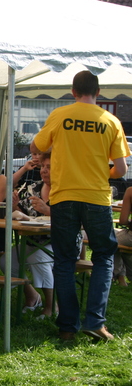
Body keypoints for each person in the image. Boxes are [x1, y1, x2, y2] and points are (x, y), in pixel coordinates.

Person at [32, 70, 129, 342]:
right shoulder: (111, 121)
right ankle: (95, 322)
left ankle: (67, 326)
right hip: (97, 197)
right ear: (98, 92)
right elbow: (120, 169)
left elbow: (36, 146)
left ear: (73, 92)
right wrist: (101, 173)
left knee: (64, 260)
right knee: (103, 257)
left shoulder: (60, 115)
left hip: (63, 196)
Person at [0, 151, 59, 318]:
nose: (44, 170)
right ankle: (32, 295)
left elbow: (74, 220)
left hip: (61, 243)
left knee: (37, 257)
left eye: (49, 167)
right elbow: (23, 214)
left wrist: (48, 210)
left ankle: (51, 306)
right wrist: (15, 205)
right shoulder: (33, 188)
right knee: (7, 261)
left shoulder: (66, 191)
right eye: (43, 167)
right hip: (33, 240)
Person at [114, 187, 132, 286]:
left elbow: (123, 220)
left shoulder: (130, 191)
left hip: (130, 237)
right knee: (123, 246)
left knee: (111, 240)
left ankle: (120, 276)